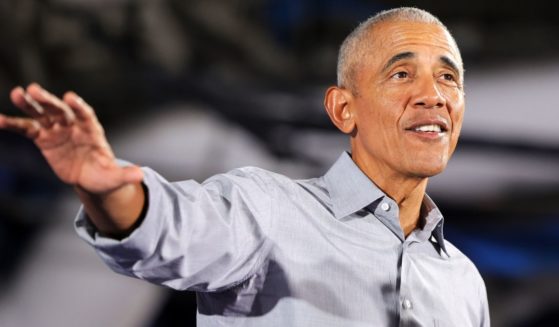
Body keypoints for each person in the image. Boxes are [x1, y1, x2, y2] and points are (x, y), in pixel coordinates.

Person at [0, 7, 489, 327]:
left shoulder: (463, 282)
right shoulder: (269, 211)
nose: (434, 95)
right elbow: (172, 232)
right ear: (344, 110)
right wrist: (108, 191)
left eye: (449, 77)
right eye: (402, 74)